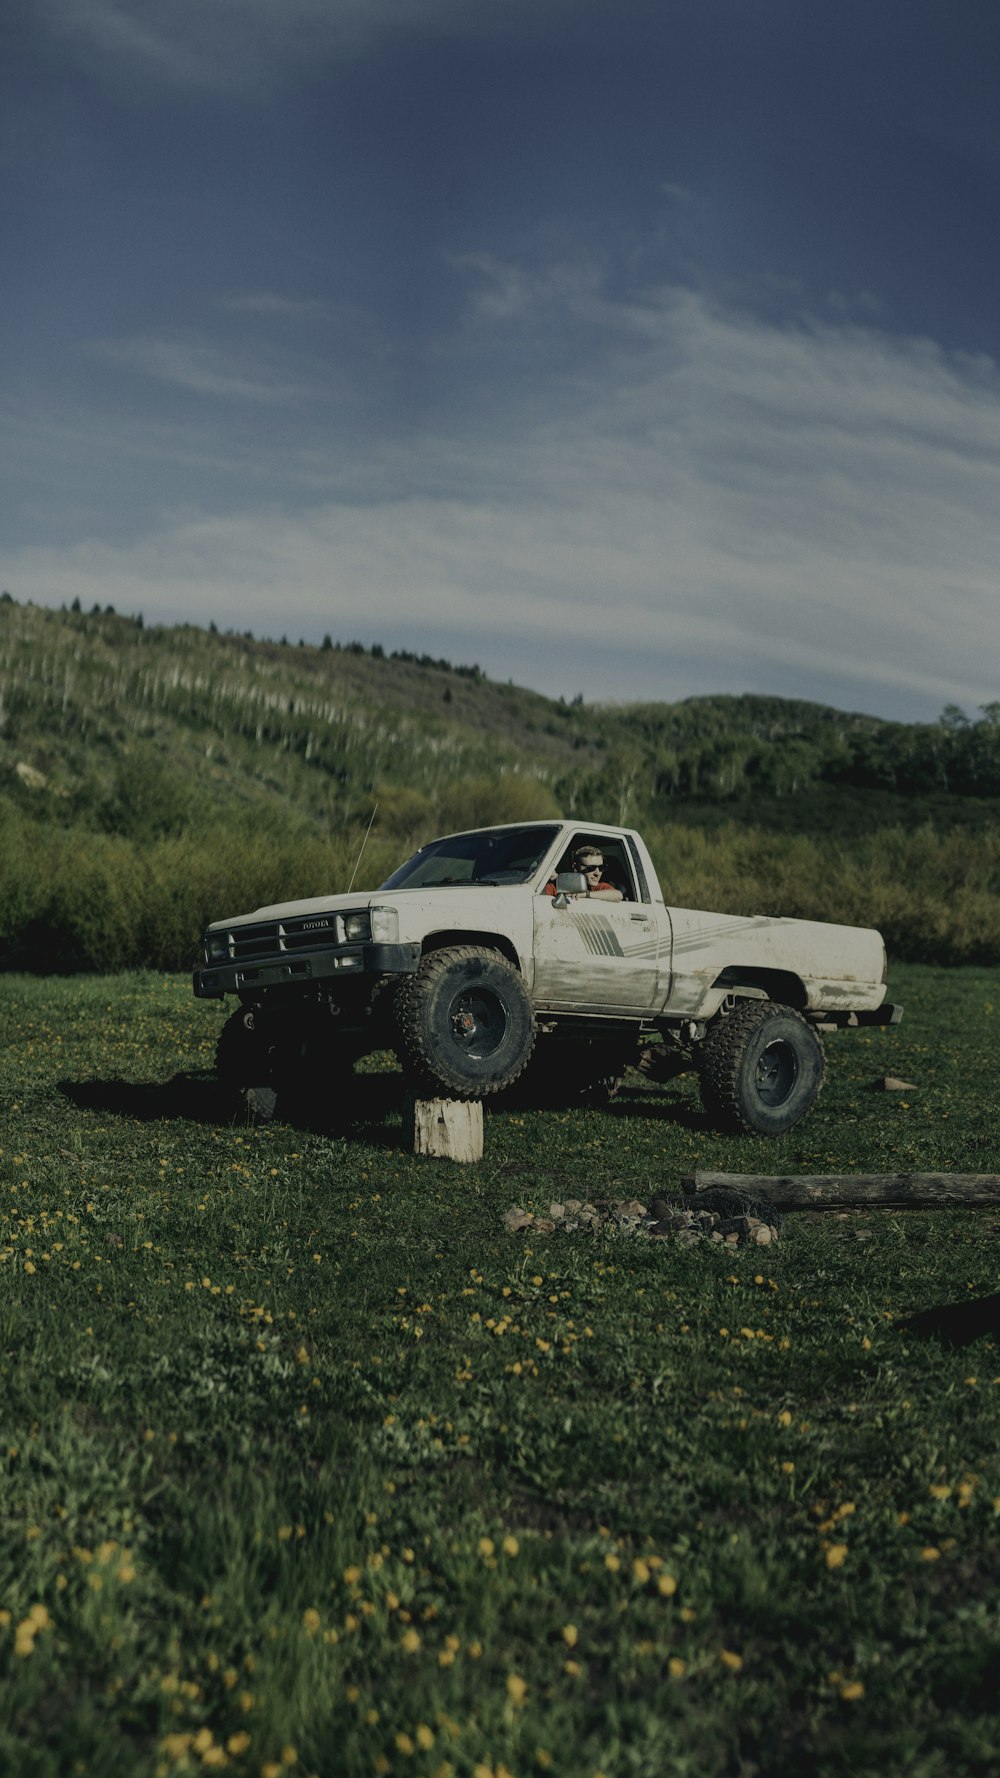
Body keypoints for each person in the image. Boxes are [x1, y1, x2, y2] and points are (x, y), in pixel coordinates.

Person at [545, 845, 623, 902]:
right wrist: (545, 877)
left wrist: (585, 894)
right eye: (591, 868)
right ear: (575, 867)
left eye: (601, 868)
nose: (597, 873)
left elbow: (618, 895)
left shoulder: (598, 888)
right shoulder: (557, 886)